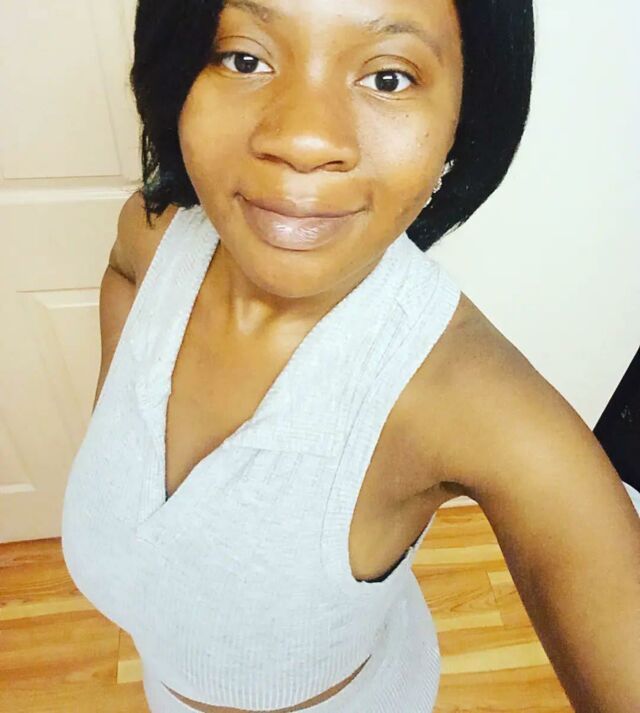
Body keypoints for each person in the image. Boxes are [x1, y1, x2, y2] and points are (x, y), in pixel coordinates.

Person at [61, 1, 640, 712]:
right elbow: (123, 272)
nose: (303, 139)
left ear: (462, 120)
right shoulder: (153, 237)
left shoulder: (466, 401)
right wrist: (119, 423)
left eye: (389, 78)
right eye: (244, 58)